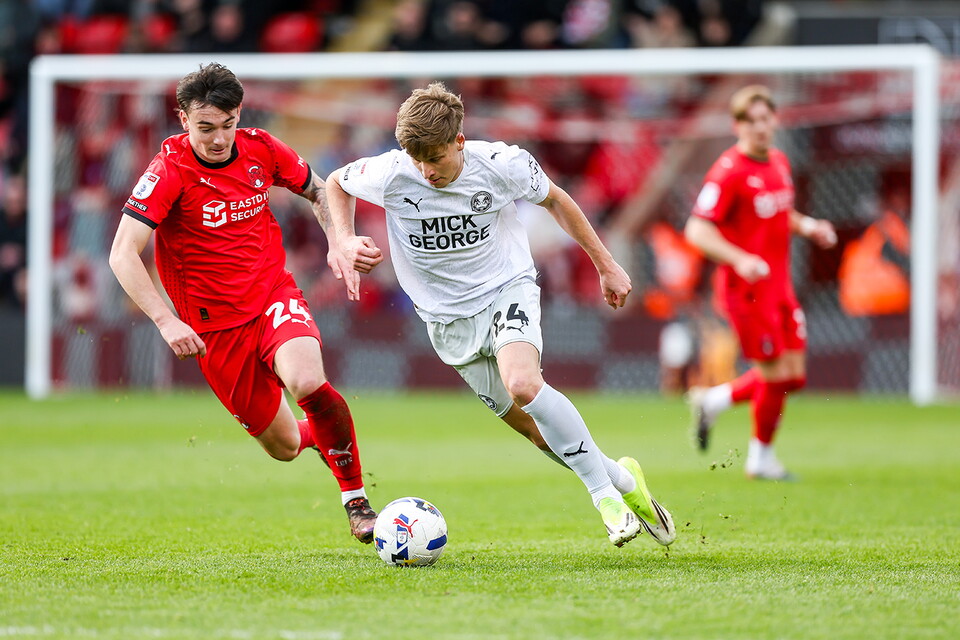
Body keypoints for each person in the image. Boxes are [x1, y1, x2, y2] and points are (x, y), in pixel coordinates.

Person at [325, 82, 675, 549]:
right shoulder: (391, 172)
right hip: (447, 320)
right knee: (539, 434)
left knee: (523, 384)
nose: (427, 171)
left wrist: (606, 265)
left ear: (459, 141)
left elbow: (557, 200)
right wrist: (344, 240)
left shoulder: (501, 164)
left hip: (505, 289)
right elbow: (336, 182)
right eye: (418, 160)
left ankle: (604, 498)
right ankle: (625, 481)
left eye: (436, 158)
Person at [108, 63, 378, 543]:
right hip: (214, 329)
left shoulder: (262, 148)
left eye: (227, 124)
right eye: (205, 127)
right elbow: (122, 253)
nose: (218, 139)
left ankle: (356, 502)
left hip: (272, 295)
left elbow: (321, 189)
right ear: (183, 119)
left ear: (240, 114)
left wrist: (340, 240)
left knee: (307, 381)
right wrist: (166, 321)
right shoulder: (169, 171)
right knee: (285, 446)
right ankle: (324, 434)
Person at [684, 84, 837, 480]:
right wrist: (740, 258)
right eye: (751, 121)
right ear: (737, 125)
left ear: (775, 120)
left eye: (765, 119)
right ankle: (760, 459)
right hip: (746, 291)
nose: (760, 127)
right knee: (774, 376)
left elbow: (778, 213)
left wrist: (809, 226)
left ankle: (714, 401)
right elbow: (697, 230)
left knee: (794, 376)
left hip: (779, 286)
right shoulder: (728, 171)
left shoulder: (779, 162)